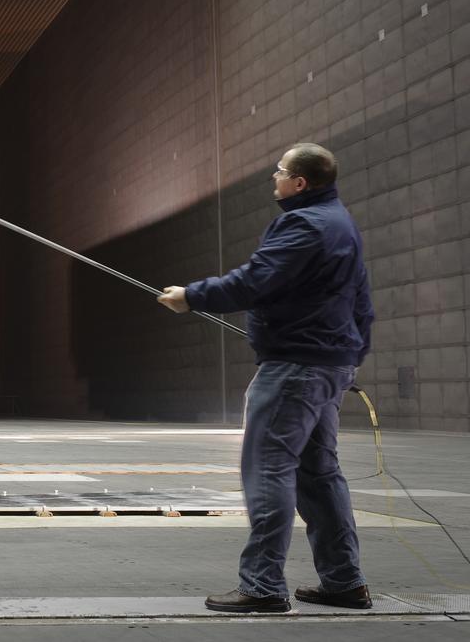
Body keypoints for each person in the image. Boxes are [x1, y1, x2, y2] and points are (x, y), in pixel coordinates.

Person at [157, 143, 374, 614]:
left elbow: (256, 279)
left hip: (295, 367)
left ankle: (261, 586)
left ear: (299, 183)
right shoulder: (340, 222)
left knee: (267, 470)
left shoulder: (303, 224)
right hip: (326, 363)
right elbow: (361, 299)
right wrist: (349, 357)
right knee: (319, 474)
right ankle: (343, 583)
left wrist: (191, 295)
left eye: (278, 172)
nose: (272, 178)